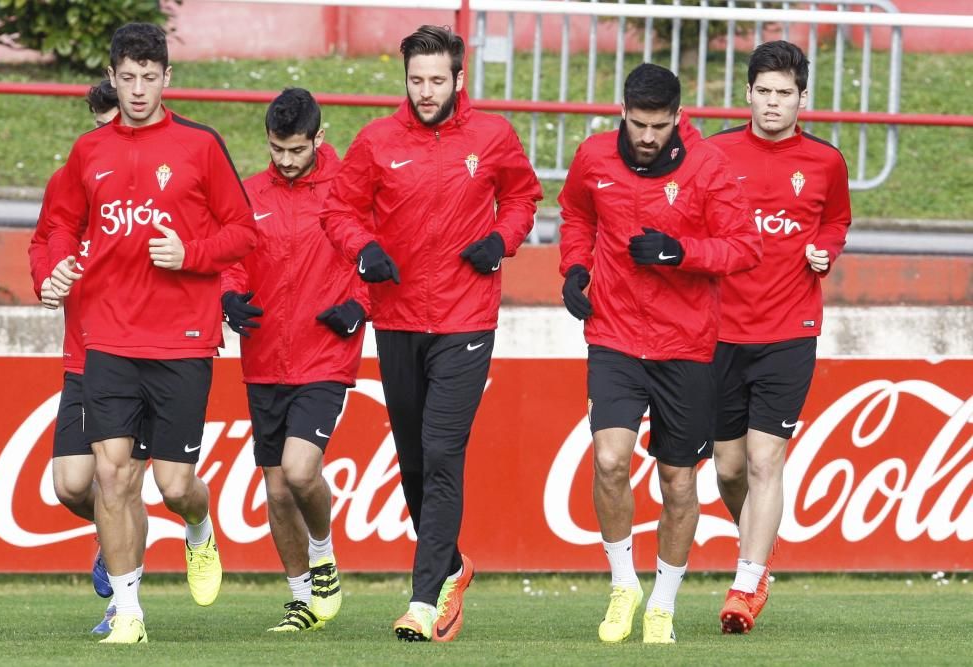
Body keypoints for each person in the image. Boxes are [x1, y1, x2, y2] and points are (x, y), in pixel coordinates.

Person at [321, 24, 542, 643]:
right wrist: (363, 250)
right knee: (414, 461)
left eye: (436, 80)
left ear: (458, 79)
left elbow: (524, 198)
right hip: (396, 319)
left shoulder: (493, 135)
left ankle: (423, 600)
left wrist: (501, 241)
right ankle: (451, 565)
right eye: (416, 80)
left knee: (444, 452)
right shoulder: (375, 141)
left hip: (466, 319)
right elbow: (339, 209)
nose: (425, 91)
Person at [45, 22, 256, 644]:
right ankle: (129, 613)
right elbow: (59, 222)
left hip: (182, 340)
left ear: (167, 78)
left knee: (173, 485)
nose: (138, 89)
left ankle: (197, 525)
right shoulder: (89, 152)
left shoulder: (200, 145)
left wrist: (190, 252)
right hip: (107, 339)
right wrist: (56, 264)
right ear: (112, 78)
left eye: (149, 76)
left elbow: (244, 233)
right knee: (111, 476)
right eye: (127, 77)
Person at [558, 62, 761, 645]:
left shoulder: (708, 168)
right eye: (638, 124)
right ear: (622, 112)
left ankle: (663, 604)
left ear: (678, 117)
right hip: (615, 336)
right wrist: (574, 267)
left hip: (687, 345)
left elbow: (745, 247)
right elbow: (576, 214)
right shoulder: (595, 157)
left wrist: (680, 251)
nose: (647, 138)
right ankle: (624, 586)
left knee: (677, 480)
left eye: (659, 126)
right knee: (610, 460)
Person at [705, 40, 851, 634]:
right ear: (747, 93)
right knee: (730, 468)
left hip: (790, 330)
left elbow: (837, 218)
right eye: (763, 91)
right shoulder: (711, 154)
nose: (772, 103)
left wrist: (826, 250)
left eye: (784, 93)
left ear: (802, 98)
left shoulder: (825, 162)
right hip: (718, 332)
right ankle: (759, 548)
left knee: (767, 459)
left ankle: (746, 581)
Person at [220, 87, 365, 633]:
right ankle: (304, 598)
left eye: (296, 150)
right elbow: (232, 259)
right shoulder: (249, 192)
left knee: (302, 471)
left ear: (319, 139)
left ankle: (323, 552)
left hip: (325, 355)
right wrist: (229, 298)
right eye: (276, 149)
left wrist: (359, 306)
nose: (285, 161)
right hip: (262, 360)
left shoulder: (349, 189)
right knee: (277, 488)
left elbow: (374, 255)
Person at [31, 79, 149, 635]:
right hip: (81, 355)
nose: (112, 137)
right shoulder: (70, 179)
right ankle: (112, 540)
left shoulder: (154, 180)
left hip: (138, 354)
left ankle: (124, 606)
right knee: (71, 486)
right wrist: (46, 277)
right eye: (101, 126)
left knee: (118, 484)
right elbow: (44, 242)